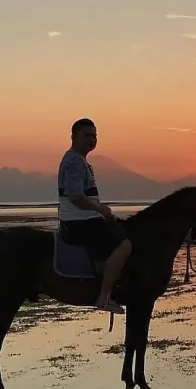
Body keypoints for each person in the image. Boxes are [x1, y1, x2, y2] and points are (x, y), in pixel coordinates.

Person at [58, 118, 131, 314]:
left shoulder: (80, 160)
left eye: (94, 135)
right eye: (87, 135)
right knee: (125, 245)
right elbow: (75, 196)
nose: (92, 139)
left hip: (84, 219)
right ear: (73, 137)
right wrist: (100, 210)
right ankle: (104, 296)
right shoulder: (73, 161)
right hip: (79, 222)